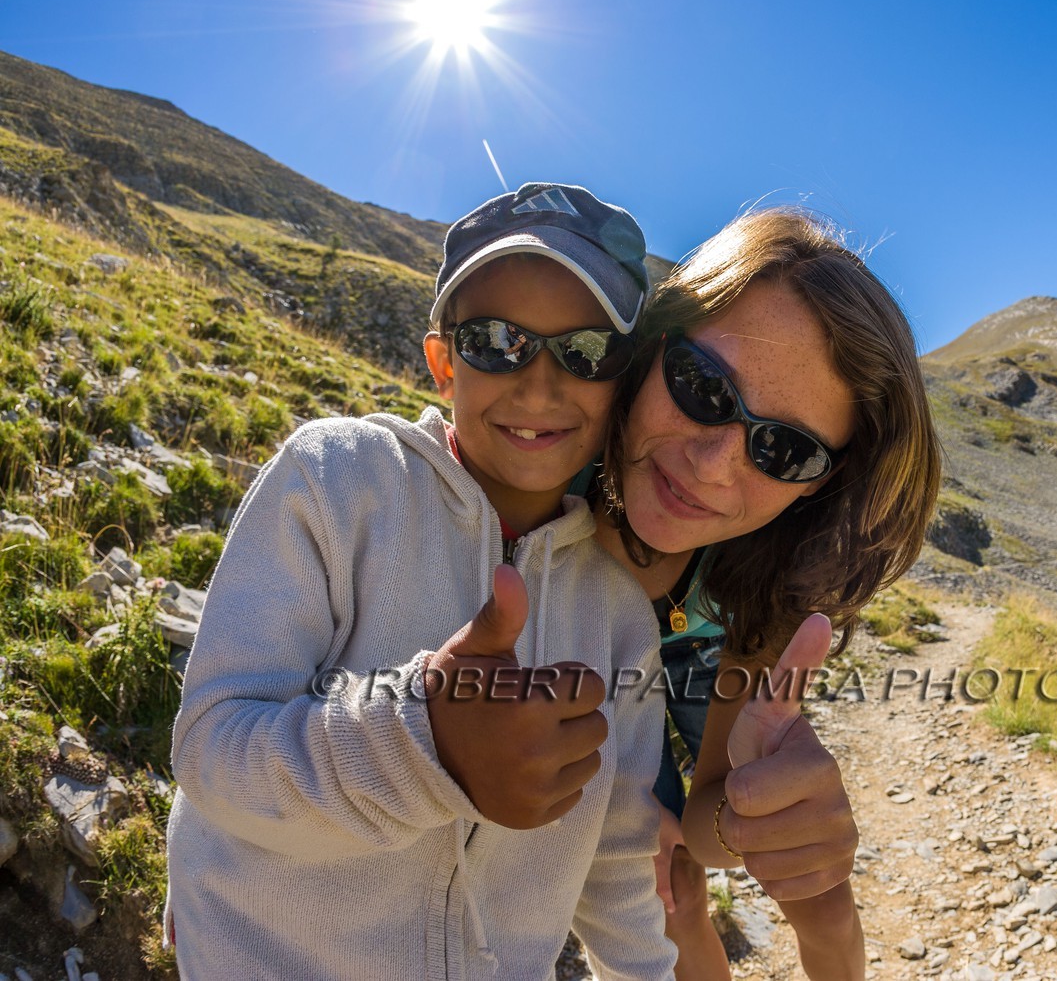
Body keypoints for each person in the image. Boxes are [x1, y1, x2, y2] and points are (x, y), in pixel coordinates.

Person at [164, 182, 678, 979]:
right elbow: (212, 753)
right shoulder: (334, 481)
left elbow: (616, 859)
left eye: (585, 353)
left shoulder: (619, 616)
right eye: (496, 342)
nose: (538, 386)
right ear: (443, 363)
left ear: (624, 384)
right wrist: (421, 743)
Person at [590, 208, 943, 979]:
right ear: (652, 347)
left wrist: (743, 811)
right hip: (586, 668)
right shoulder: (546, 483)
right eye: (703, 386)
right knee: (664, 889)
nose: (714, 466)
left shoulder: (768, 569)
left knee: (818, 888)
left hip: (703, 646)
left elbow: (711, 825)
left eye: (783, 450)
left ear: (823, 485)